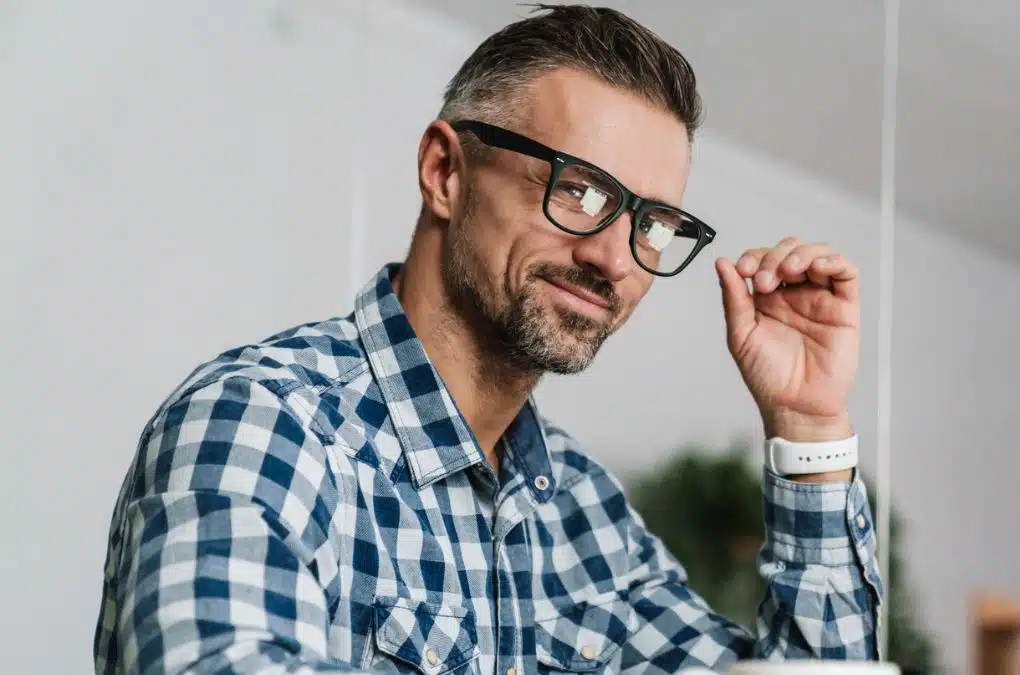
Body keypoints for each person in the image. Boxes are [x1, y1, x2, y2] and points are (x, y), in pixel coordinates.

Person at [93, 5, 882, 674]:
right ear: (445, 171)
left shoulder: (585, 514)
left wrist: (808, 423)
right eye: (579, 189)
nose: (613, 258)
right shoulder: (262, 426)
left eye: (652, 223)